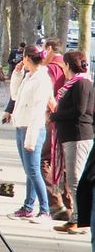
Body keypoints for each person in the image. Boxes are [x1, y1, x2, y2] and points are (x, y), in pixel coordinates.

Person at [7, 45, 53, 223]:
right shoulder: (28, 76)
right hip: (21, 126)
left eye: (23, 58)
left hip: (32, 128)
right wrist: (17, 75)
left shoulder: (42, 80)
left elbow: (37, 110)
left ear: (27, 58)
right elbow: (15, 95)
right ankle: (28, 206)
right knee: (28, 171)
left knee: (33, 170)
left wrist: (31, 137)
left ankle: (45, 210)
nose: (21, 61)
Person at [49, 51, 94, 233]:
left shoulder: (81, 83)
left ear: (68, 65)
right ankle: (75, 217)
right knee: (72, 179)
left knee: (75, 179)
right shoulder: (75, 83)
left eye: (64, 65)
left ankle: (81, 220)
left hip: (78, 135)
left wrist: (55, 115)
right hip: (70, 136)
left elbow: (79, 110)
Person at [41, 37, 72, 221]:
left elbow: (47, 93)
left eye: (44, 48)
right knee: (65, 164)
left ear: (50, 48)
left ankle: (56, 203)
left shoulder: (50, 68)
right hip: (66, 122)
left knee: (44, 161)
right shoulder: (65, 68)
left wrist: (48, 113)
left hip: (53, 120)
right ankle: (69, 206)